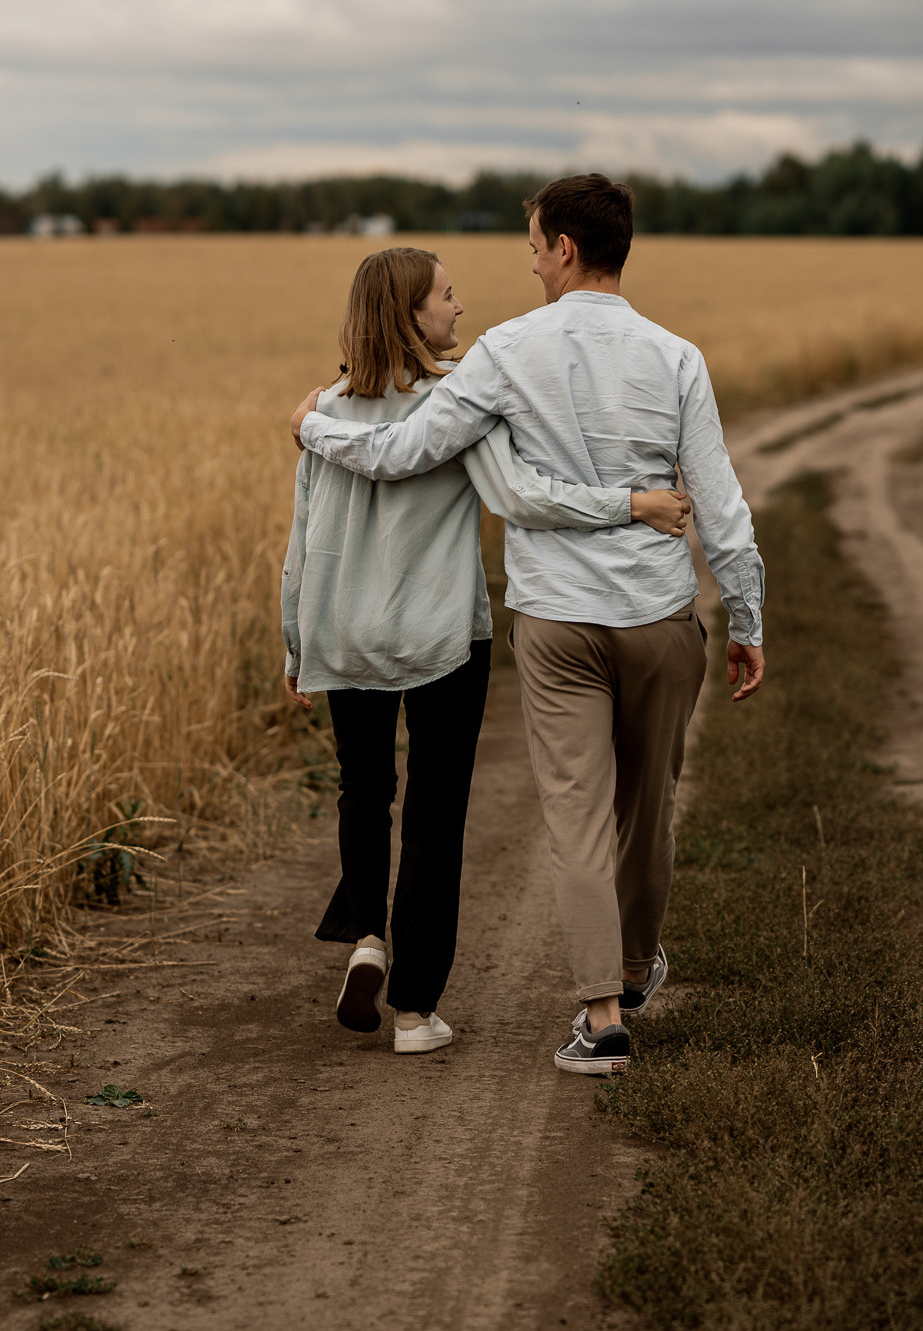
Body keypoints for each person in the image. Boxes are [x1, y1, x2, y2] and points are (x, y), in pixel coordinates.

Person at [289, 177, 766, 1076]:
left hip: (555, 623)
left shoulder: (505, 351)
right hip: (661, 614)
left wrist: (316, 426)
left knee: (576, 818)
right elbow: (724, 505)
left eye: (536, 248)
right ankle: (630, 967)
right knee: (648, 812)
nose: (532, 263)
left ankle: (601, 1019)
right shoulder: (677, 357)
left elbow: (399, 452)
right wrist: (746, 614)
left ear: (567, 250)